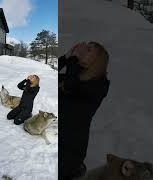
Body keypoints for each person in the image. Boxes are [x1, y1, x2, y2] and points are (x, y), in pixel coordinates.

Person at [59, 42, 110, 180]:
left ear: (96, 60)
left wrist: (73, 60)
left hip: (68, 151)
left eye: (88, 50)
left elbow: (70, 88)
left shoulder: (98, 86)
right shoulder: (73, 75)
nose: (80, 50)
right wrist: (65, 57)